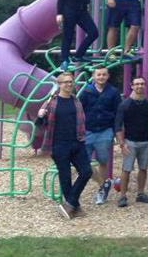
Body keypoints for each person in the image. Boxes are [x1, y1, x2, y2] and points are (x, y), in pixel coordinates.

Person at [37, 72, 92, 219]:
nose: (69, 84)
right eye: (65, 82)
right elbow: (40, 125)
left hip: (77, 142)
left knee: (87, 172)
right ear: (59, 84)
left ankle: (70, 204)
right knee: (65, 177)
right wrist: (41, 115)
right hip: (59, 144)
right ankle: (74, 207)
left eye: (70, 81)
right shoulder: (51, 102)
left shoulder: (76, 101)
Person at [78, 66, 121, 205]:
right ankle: (104, 184)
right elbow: (80, 111)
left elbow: (118, 113)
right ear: (94, 76)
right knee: (83, 162)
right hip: (88, 130)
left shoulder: (113, 92)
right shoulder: (86, 91)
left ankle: (102, 191)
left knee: (103, 160)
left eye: (104, 75)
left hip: (105, 130)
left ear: (108, 76)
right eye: (98, 75)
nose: (101, 77)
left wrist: (116, 131)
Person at [114, 76, 148, 207]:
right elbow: (118, 125)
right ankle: (122, 196)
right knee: (126, 169)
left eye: (142, 84)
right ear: (132, 86)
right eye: (137, 84)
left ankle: (141, 193)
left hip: (145, 142)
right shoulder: (125, 105)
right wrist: (122, 143)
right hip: (130, 142)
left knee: (143, 168)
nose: (140, 86)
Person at [56, 0, 102, 68]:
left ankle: (79, 55)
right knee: (68, 34)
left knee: (93, 33)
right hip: (69, 10)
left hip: (82, 11)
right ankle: (65, 59)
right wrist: (59, 13)